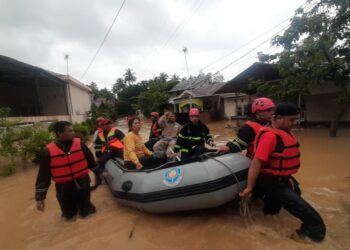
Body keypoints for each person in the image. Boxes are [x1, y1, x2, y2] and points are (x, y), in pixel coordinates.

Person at [239, 103, 326, 243]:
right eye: (292, 120)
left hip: (281, 179)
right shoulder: (270, 136)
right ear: (278, 118)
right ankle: (298, 241)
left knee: (272, 211)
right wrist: (249, 187)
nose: (295, 123)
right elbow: (256, 163)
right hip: (272, 183)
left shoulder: (284, 132)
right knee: (316, 224)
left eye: (295, 119)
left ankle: (271, 233)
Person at [35, 121, 97, 220]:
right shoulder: (47, 152)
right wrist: (40, 197)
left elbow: (92, 163)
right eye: (70, 131)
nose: (73, 133)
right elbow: (43, 176)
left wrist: (102, 173)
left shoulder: (80, 145)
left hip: (83, 183)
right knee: (69, 217)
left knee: (86, 213)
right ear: (60, 133)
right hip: (64, 189)